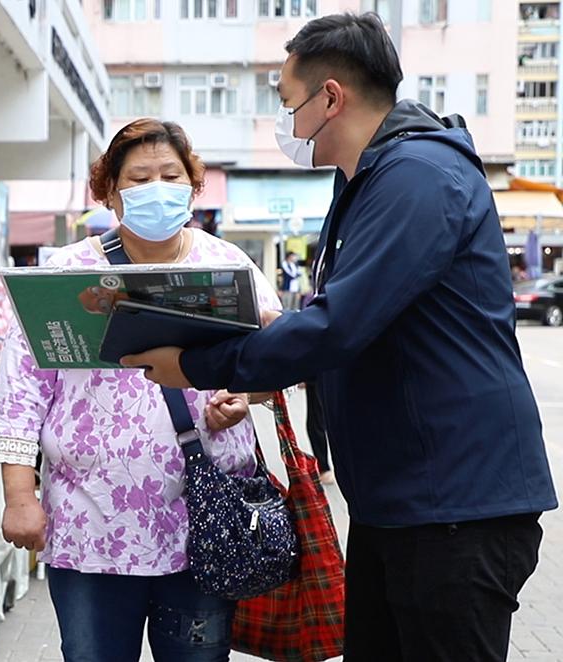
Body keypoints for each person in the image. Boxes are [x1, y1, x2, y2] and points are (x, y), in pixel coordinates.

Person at [124, 13, 557, 662]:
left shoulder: (418, 177)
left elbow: (338, 326)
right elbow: (344, 322)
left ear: (330, 97)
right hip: (404, 502)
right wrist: (266, 348)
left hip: (456, 506)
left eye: (287, 100)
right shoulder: (367, 180)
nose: (285, 120)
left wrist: (196, 363)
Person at [0, 118, 282, 662]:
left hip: (203, 522)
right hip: (89, 526)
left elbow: (273, 365)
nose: (156, 189)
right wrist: (20, 496)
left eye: (170, 176)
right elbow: (20, 393)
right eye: (139, 178)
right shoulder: (65, 272)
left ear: (193, 186)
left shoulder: (227, 267)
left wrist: (245, 397)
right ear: (109, 192)